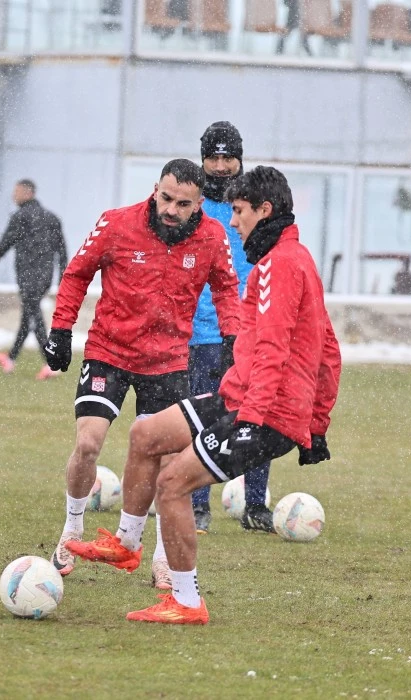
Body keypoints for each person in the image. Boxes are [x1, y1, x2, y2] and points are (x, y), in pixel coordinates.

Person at [67, 166, 341, 624]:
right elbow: (329, 348)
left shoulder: (281, 265)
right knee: (146, 434)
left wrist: (260, 421)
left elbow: (276, 350)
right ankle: (127, 542)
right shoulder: (293, 258)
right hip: (240, 398)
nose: (233, 223)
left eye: (238, 212)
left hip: (263, 412)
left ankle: (187, 601)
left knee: (173, 485)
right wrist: (317, 425)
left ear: (264, 210)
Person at [44, 158, 241, 577]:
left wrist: (232, 340)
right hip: (109, 351)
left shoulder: (213, 236)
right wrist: (61, 329)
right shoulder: (116, 223)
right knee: (88, 444)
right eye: (165, 198)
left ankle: (160, 557)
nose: (171, 209)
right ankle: (71, 526)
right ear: (155, 189)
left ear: (199, 202)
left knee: (169, 462)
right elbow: (77, 274)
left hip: (168, 361)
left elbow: (226, 287)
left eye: (182, 204)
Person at [189, 123, 274, 534]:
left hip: (250, 331)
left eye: (229, 157)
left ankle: (256, 506)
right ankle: (197, 505)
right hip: (200, 333)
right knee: (203, 418)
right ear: (203, 158)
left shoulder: (255, 203)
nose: (221, 166)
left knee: (255, 414)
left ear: (241, 157)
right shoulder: (192, 204)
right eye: (214, 157)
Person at [0, 179, 68, 381]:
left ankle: (51, 362)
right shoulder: (52, 218)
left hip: (28, 275)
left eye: (17, 191)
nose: (14, 196)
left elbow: (7, 240)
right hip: (44, 276)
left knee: (35, 318)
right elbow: (62, 250)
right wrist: (63, 277)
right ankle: (11, 358)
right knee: (28, 316)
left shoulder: (21, 216)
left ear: (27, 192)